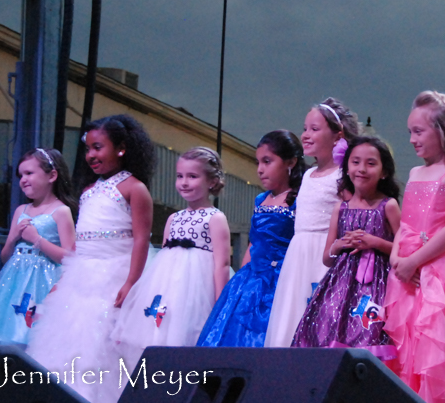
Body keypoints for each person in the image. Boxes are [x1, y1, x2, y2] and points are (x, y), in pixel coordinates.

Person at [26, 114, 155, 403]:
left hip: (115, 273)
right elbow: (81, 246)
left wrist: (131, 282)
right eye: (88, 149)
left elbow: (141, 238)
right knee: (68, 340)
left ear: (121, 148)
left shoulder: (134, 188)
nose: (91, 155)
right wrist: (64, 279)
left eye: (98, 147)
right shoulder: (88, 191)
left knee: (101, 344)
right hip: (82, 275)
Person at [383, 91, 445, 403]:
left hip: (439, 269)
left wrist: (414, 262)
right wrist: (397, 257)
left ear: (443, 131)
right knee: (407, 346)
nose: (412, 140)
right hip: (406, 271)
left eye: (418, 132)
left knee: (435, 344)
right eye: (410, 132)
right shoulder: (414, 173)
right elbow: (406, 224)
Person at [112, 147, 231, 370]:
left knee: (185, 339)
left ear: (212, 182)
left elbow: (222, 264)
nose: (184, 182)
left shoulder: (215, 218)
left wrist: (220, 304)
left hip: (195, 292)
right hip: (166, 290)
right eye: (180, 176)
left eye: (193, 176)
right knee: (158, 337)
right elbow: (163, 258)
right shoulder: (173, 218)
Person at [291, 136, 401, 363]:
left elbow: (403, 249)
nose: (362, 169)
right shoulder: (340, 208)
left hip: (376, 288)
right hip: (338, 287)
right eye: (355, 162)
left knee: (370, 335)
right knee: (328, 328)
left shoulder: (388, 205)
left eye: (371, 163)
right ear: (347, 168)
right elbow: (327, 258)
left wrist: (374, 242)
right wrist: (340, 245)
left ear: (384, 172)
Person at [197, 130, 304, 347]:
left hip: (282, 279)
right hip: (252, 277)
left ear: (290, 162)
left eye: (267, 161)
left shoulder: (299, 199)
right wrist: (241, 280)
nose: (260, 170)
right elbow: (254, 243)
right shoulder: (261, 199)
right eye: (258, 163)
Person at [267, 98, 359, 347]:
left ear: (337, 135)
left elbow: (352, 216)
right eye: (305, 128)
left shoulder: (343, 176)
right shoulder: (307, 175)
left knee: (321, 319)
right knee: (292, 316)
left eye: (315, 129)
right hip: (299, 256)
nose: (306, 135)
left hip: (324, 255)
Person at [0, 149, 76, 348]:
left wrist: (37, 240)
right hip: (13, 283)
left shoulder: (61, 211)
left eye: (29, 173)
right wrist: (12, 239)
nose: (23, 180)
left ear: (52, 175)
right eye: (21, 175)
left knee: (34, 337)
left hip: (43, 283)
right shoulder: (21, 210)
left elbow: (70, 257)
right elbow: (5, 257)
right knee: (7, 335)